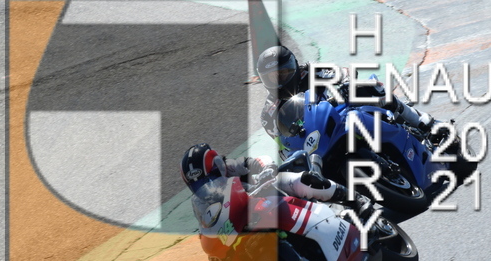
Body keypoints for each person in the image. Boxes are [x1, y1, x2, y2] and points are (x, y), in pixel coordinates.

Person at [256, 45, 436, 143]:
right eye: (272, 77)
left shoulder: (310, 71)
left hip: (341, 116)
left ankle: (419, 121)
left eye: (283, 73)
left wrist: (342, 87)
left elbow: (345, 73)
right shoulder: (268, 115)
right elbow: (284, 146)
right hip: (314, 141)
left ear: (294, 66)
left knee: (373, 87)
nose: (279, 81)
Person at [180, 143, 374, 224]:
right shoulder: (201, 205)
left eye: (210, 178)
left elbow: (258, 161)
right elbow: (208, 227)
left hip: (271, 192)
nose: (208, 187)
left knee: (303, 181)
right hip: (251, 221)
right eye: (199, 186)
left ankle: (355, 199)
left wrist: (266, 170)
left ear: (219, 166)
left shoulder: (231, 166)